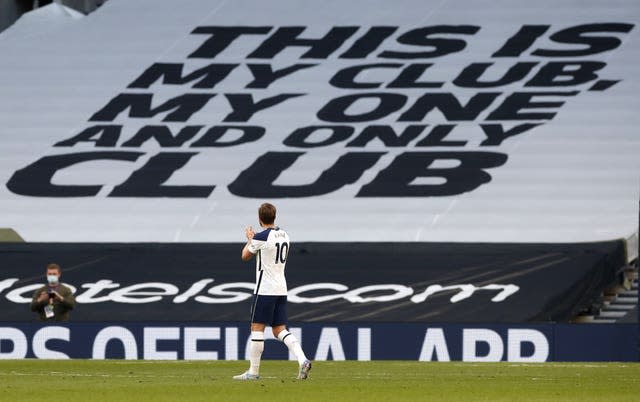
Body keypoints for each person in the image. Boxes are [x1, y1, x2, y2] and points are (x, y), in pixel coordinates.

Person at [233, 202, 312, 381]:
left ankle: (253, 372)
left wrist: (250, 239)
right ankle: (302, 360)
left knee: (257, 329)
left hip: (265, 289)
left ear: (260, 219)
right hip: (281, 288)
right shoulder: (285, 235)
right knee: (279, 330)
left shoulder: (261, 237)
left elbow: (244, 256)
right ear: (274, 217)